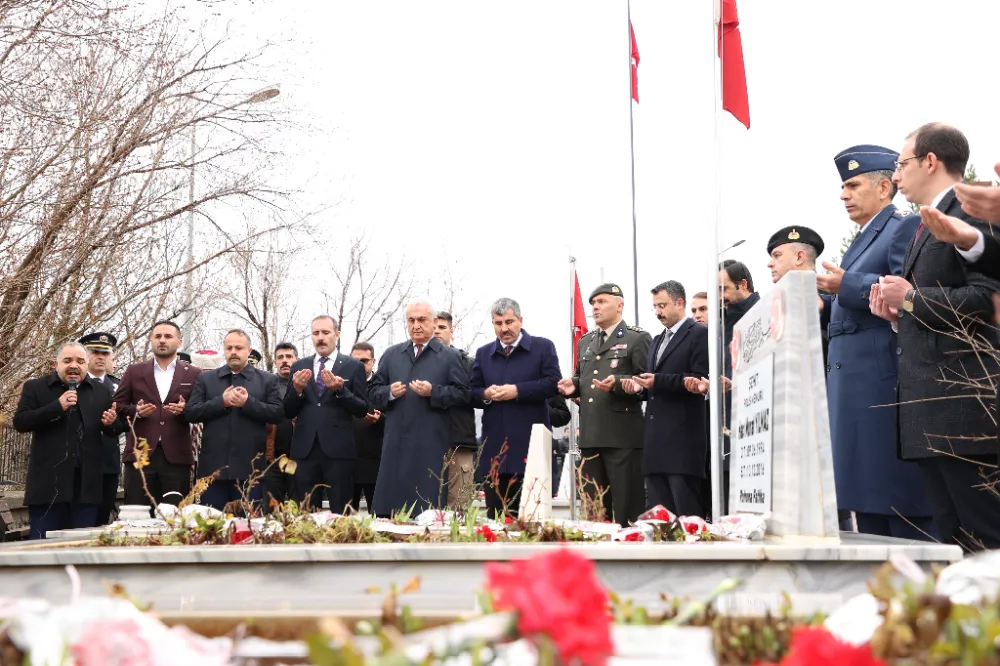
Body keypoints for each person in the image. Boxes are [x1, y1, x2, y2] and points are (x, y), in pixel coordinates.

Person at [870, 122, 1000, 550]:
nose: (895, 176)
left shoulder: (972, 214)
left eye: (901, 164)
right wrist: (896, 314)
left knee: (986, 540)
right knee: (956, 541)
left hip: (965, 409)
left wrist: (910, 299)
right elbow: (926, 305)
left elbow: (985, 300)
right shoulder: (924, 225)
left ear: (931, 161)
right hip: (934, 411)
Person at [816, 144, 932, 540]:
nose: (843, 195)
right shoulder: (864, 236)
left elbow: (909, 290)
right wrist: (823, 301)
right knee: (863, 500)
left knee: (890, 497)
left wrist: (844, 284)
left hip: (880, 381)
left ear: (885, 188)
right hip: (852, 382)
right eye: (843, 187)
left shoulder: (901, 225)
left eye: (852, 185)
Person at [557, 283, 650, 526]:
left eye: (602, 302)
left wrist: (619, 383)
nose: (595, 308)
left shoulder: (637, 338)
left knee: (627, 508)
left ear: (620, 305)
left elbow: (648, 383)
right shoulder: (586, 342)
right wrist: (573, 385)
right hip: (590, 437)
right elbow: (584, 377)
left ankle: (631, 556)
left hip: (623, 438)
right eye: (593, 303)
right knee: (595, 510)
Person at [369, 300, 471, 517]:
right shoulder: (392, 354)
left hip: (431, 445)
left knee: (427, 510)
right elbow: (372, 392)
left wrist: (433, 391)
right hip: (395, 443)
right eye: (411, 320)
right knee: (390, 511)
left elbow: (463, 394)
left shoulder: (449, 356)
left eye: (422, 320)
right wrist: (389, 392)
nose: (416, 325)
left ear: (434, 323)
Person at [14, 342, 120, 538]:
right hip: (48, 488)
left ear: (87, 365)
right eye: (68, 360)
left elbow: (113, 431)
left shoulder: (100, 391)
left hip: (86, 489)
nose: (74, 365)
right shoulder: (36, 387)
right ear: (56, 364)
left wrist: (111, 423)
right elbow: (20, 422)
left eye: (80, 361)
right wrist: (57, 406)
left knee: (81, 550)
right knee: (42, 549)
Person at [470, 298, 561, 518]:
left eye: (509, 322)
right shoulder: (483, 354)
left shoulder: (542, 347)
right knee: (497, 519)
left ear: (520, 320)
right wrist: (485, 394)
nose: (504, 328)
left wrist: (517, 391)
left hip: (531, 447)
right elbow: (471, 392)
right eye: (498, 323)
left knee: (533, 519)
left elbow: (552, 383)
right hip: (495, 449)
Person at [624, 281, 708, 517]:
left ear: (679, 303)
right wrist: (638, 389)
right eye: (655, 307)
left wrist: (658, 381)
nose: (658, 312)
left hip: (682, 441)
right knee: (659, 517)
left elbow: (699, 378)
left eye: (662, 305)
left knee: (686, 513)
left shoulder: (699, 334)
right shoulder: (658, 340)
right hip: (655, 442)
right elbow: (653, 384)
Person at [186, 330, 284, 512]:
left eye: (238, 348)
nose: (233, 352)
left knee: (247, 529)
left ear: (249, 350)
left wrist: (248, 403)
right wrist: (220, 402)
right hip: (212, 470)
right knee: (211, 526)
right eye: (229, 347)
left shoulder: (268, 380)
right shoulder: (206, 379)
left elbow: (277, 413)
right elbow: (191, 412)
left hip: (250, 470)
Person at [284, 315, 369, 513]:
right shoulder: (299, 366)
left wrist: (341, 390)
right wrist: (296, 389)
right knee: (305, 513)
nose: (320, 338)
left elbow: (362, 408)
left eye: (325, 332)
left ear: (337, 335)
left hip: (339, 452)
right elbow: (288, 410)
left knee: (341, 513)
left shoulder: (353, 366)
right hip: (305, 452)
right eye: (316, 333)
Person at [114, 321, 202, 507]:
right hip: (140, 456)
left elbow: (200, 409)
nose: (162, 340)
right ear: (151, 340)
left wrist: (185, 410)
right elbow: (117, 405)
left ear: (179, 342)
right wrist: (135, 411)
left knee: (175, 518)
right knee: (136, 515)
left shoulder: (193, 373)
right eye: (158, 336)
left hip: (176, 457)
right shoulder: (134, 371)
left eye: (168, 336)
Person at [717, 261, 758, 514]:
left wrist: (737, 382)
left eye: (724, 289)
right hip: (724, 425)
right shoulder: (720, 324)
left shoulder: (764, 312)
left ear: (743, 285)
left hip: (755, 422)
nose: (720, 297)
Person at [433, 312, 477, 508]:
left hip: (459, 441)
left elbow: (474, 396)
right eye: (433, 327)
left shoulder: (468, 363)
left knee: (459, 506)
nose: (436, 332)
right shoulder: (414, 362)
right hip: (426, 440)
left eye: (441, 328)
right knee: (427, 507)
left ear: (451, 331)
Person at [79, 332, 122, 525]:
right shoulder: (74, 384)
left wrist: (112, 422)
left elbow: (125, 425)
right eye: (95, 352)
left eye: (105, 353)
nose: (100, 357)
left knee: (102, 520)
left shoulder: (119, 387)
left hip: (108, 463)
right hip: (80, 463)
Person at [264, 342, 299, 508]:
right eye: (280, 357)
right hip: (272, 459)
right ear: (275, 361)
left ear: (296, 359)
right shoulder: (267, 385)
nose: (285, 361)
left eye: (289, 356)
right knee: (271, 511)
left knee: (298, 508)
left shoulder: (307, 385)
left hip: (298, 459)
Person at [350, 341, 383, 512]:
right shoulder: (341, 385)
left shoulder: (382, 386)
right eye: (355, 361)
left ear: (373, 361)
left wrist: (380, 419)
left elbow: (394, 418)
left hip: (375, 463)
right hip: (348, 463)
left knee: (379, 519)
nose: (360, 365)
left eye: (364, 361)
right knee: (344, 521)